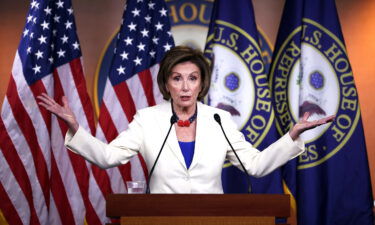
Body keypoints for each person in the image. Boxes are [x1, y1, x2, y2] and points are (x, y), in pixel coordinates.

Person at [37, 46, 335, 193]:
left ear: (202, 83)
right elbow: (108, 157)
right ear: (166, 83)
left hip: (214, 221)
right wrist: (75, 128)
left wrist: (292, 135)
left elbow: (255, 166)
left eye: (192, 78)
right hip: (157, 221)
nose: (185, 86)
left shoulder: (219, 119)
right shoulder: (147, 119)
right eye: (177, 78)